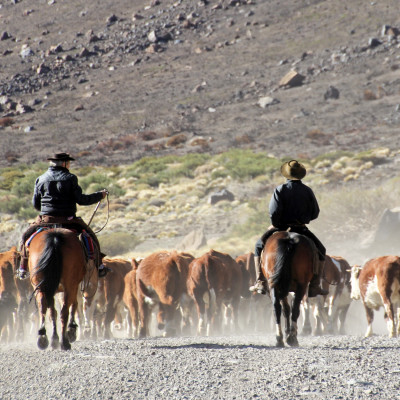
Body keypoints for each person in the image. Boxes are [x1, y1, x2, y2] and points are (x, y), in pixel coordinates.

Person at [17, 152, 110, 279]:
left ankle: (22, 268)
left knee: (25, 238)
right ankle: (99, 266)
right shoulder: (70, 178)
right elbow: (82, 200)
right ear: (65, 163)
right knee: (90, 236)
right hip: (68, 220)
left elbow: (36, 204)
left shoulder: (40, 179)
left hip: (46, 220)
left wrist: (46, 210)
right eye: (69, 163)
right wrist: (100, 195)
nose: (69, 165)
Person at [250, 159, 328, 297]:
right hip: (300, 228)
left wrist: (276, 224)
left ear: (286, 175)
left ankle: (260, 281)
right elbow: (315, 212)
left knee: (258, 246)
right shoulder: (307, 190)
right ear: (300, 175)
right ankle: (315, 285)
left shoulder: (280, 190)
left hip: (280, 227)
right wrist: (304, 220)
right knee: (321, 250)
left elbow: (273, 212)